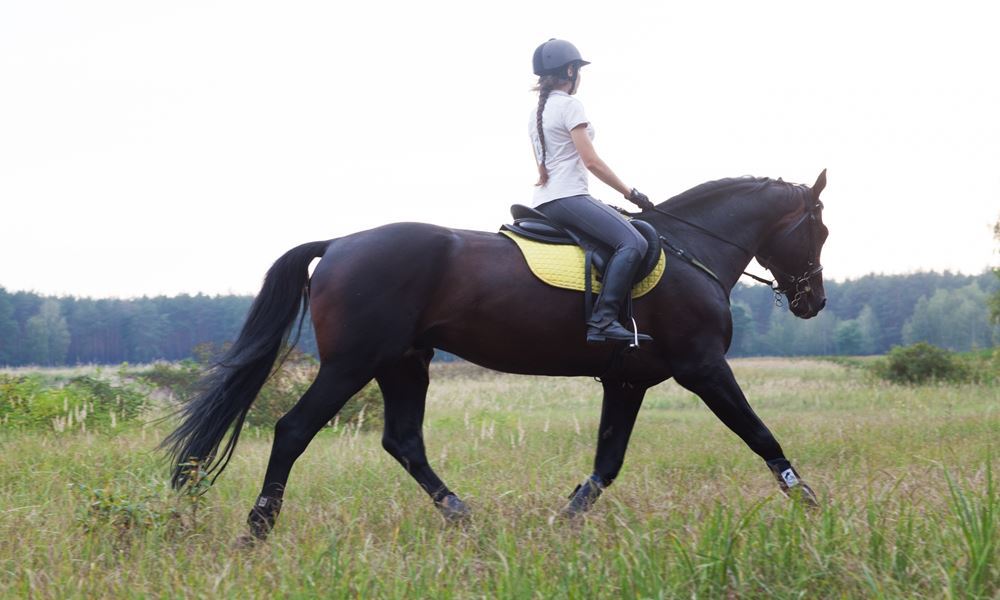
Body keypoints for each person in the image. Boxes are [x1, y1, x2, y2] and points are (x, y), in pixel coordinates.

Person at [529, 38, 656, 344]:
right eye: (577, 70)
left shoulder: (537, 113)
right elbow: (592, 162)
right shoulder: (570, 105)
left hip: (545, 202)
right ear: (571, 71)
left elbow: (543, 169)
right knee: (632, 242)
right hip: (568, 197)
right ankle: (603, 320)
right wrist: (631, 193)